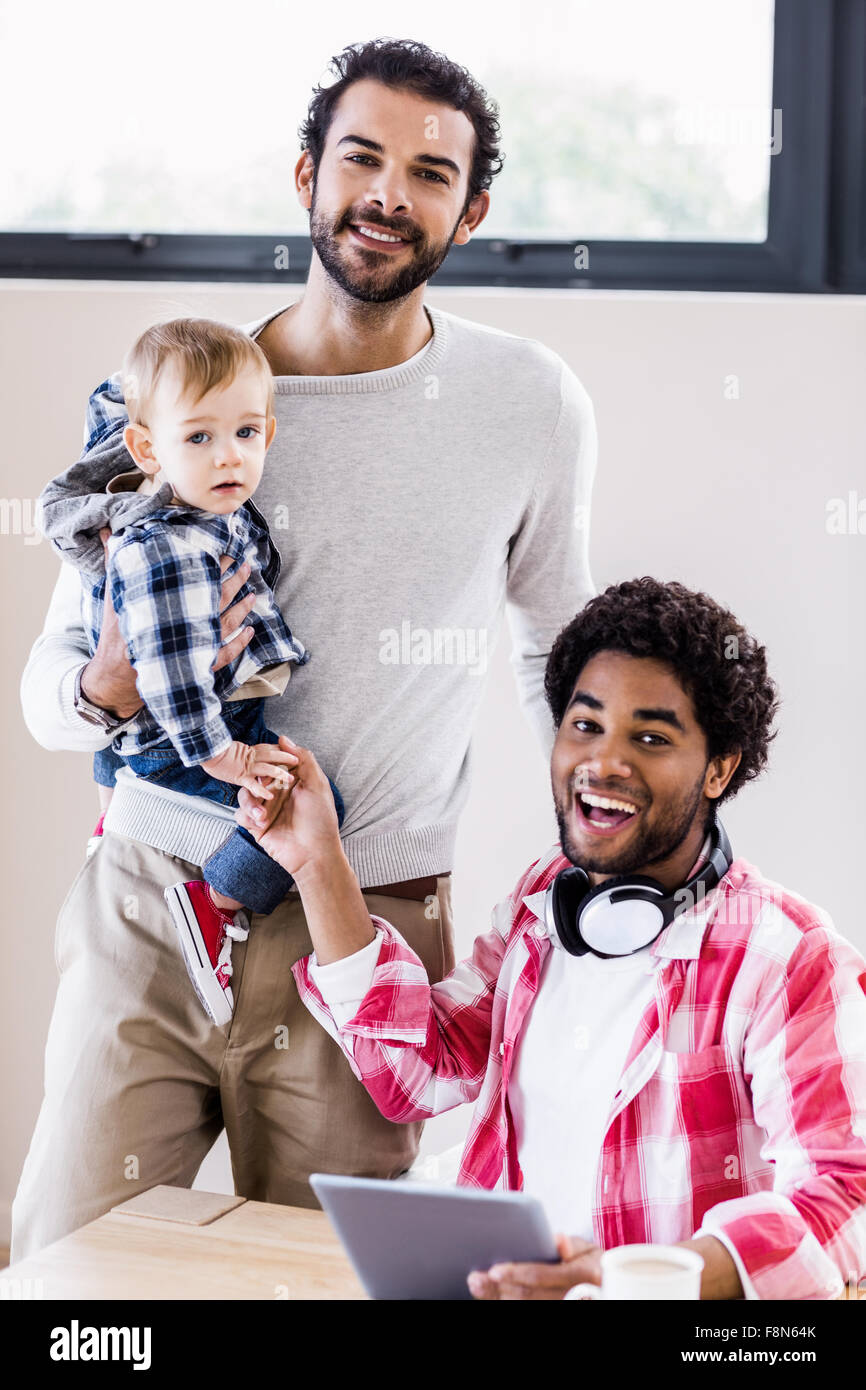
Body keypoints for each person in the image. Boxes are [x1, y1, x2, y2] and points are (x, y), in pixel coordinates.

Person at [12, 38, 596, 1259]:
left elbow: (558, 643)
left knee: (325, 1279)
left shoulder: (527, 402)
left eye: (428, 173)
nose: (387, 194)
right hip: (151, 904)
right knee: (76, 1272)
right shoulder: (175, 389)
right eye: (361, 158)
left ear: (470, 210)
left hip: (361, 930)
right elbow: (50, 700)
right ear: (304, 178)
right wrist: (108, 682)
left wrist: (588, 872)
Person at [240, 578, 866, 1301]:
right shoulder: (545, 901)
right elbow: (417, 1071)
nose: (604, 762)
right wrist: (318, 861)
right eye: (586, 725)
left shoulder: (787, 957)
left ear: (719, 768)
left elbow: (846, 1195)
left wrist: (636, 1282)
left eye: (652, 737)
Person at [36, 317, 345, 1025]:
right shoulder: (163, 547)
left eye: (244, 434)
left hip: (207, 722)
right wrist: (223, 757)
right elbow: (170, 679)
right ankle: (215, 904)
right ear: (149, 450)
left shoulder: (212, 509)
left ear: (267, 433)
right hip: (188, 737)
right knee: (309, 806)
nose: (227, 456)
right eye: (198, 438)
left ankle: (126, 820)